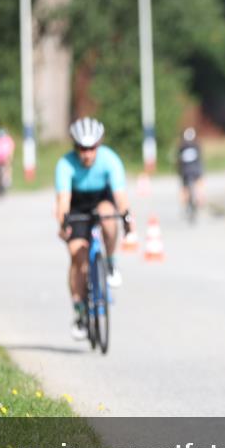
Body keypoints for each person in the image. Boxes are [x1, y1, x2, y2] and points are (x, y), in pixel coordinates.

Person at [54, 117, 135, 340]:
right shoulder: (65, 165)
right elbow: (62, 202)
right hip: (77, 205)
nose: (87, 153)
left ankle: (109, 263)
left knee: (109, 217)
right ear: (75, 147)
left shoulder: (110, 160)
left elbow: (121, 197)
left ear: (98, 145)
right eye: (82, 148)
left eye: (91, 148)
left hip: (101, 199)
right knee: (76, 255)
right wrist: (63, 225)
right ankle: (80, 311)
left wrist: (127, 218)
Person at [176, 127, 205, 217]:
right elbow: (200, 158)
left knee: (184, 187)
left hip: (185, 171)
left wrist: (178, 171)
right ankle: (200, 200)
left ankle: (184, 203)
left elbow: (178, 160)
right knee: (199, 184)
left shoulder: (181, 146)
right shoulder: (197, 145)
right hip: (196, 170)